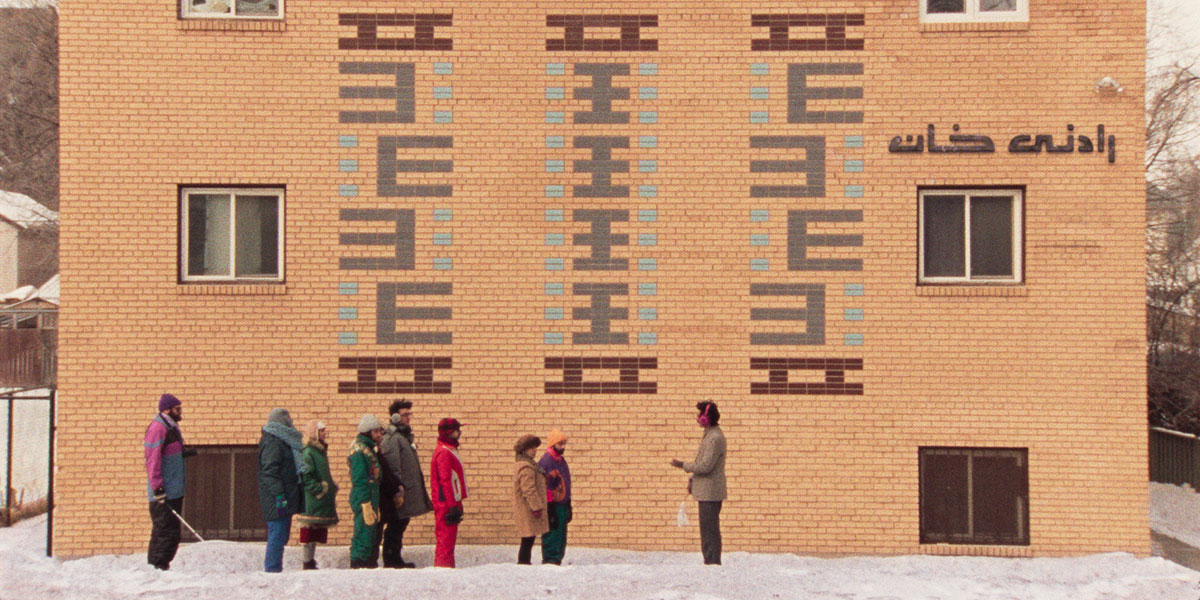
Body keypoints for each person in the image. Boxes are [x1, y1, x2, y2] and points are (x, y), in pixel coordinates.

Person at [377, 399, 433, 568]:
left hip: (405, 490)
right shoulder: (393, 438)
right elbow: (393, 467)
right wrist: (397, 490)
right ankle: (391, 559)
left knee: (400, 524)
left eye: (410, 414)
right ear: (395, 416)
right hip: (399, 492)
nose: (409, 417)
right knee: (396, 524)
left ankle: (395, 557)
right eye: (405, 414)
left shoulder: (403, 437)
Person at [670, 401, 727, 565]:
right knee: (707, 529)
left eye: (699, 415)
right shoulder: (710, 435)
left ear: (705, 418)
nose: (696, 418)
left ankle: (712, 562)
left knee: (709, 530)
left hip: (710, 492)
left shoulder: (714, 438)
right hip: (706, 490)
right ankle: (709, 561)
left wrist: (683, 465)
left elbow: (705, 466)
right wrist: (692, 480)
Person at [257, 408, 306, 573]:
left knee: (281, 535)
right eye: (287, 418)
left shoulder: (283, 440)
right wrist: (278, 494)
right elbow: (269, 472)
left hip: (285, 495)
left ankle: (274, 568)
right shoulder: (273, 442)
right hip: (277, 498)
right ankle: (272, 570)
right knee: (277, 535)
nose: (291, 421)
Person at [144, 393, 188, 570]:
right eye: (177, 409)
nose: (180, 412)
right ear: (167, 410)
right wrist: (157, 487)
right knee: (166, 533)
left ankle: (157, 567)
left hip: (174, 489)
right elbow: (153, 460)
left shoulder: (171, 427)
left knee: (167, 532)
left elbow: (169, 453)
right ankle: (158, 567)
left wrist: (185, 454)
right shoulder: (158, 428)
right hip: (164, 492)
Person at [297, 420, 338, 570]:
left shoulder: (319, 451)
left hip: (317, 498)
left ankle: (310, 560)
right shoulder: (308, 451)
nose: (324, 433)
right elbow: (306, 476)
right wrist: (319, 489)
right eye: (321, 431)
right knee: (308, 530)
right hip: (311, 498)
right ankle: (307, 561)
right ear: (314, 432)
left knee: (314, 530)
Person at [348, 414, 385, 569]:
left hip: (371, 497)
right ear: (368, 432)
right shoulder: (359, 451)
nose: (379, 435)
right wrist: (365, 503)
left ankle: (366, 564)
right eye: (376, 431)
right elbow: (360, 479)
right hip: (364, 498)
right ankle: (358, 564)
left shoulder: (369, 449)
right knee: (363, 533)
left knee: (369, 533)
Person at [430, 417, 466, 568]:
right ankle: (443, 570)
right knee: (446, 540)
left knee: (449, 541)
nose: (460, 432)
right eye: (457, 429)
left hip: (449, 501)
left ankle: (447, 568)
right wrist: (452, 506)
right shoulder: (444, 452)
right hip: (446, 502)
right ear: (450, 432)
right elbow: (445, 480)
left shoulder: (448, 449)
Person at [513, 434, 549, 565]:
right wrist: (536, 507)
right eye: (531, 448)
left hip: (527, 508)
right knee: (527, 539)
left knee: (528, 538)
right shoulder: (526, 466)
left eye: (535, 448)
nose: (534, 451)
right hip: (528, 508)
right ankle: (523, 563)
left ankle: (524, 562)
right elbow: (528, 488)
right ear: (523, 450)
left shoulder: (529, 464)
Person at [538, 428, 572, 565]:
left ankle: (557, 558)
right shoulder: (546, 461)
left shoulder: (561, 461)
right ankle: (550, 559)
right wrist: (549, 507)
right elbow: (543, 485)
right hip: (552, 505)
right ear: (553, 444)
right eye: (560, 444)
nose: (563, 447)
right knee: (552, 533)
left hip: (562, 504)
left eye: (564, 443)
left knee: (561, 534)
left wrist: (568, 504)